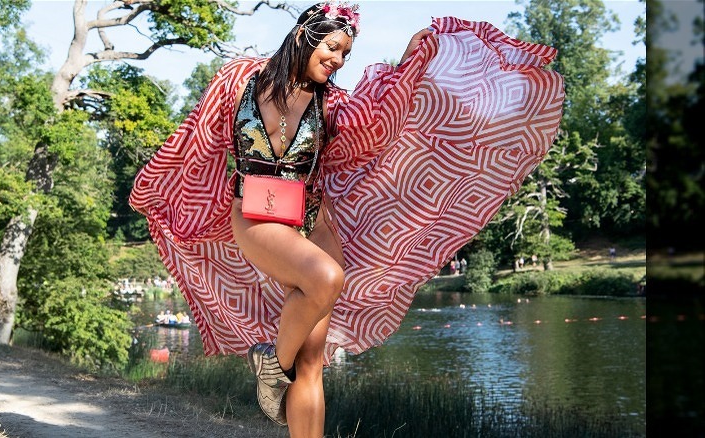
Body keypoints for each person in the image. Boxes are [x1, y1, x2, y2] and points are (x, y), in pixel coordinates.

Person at [129, 2, 563, 436]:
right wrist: (164, 191)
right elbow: (198, 138)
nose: (336, 59)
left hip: (313, 220)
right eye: (332, 47)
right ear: (304, 34)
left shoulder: (333, 102)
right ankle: (269, 365)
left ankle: (280, 374)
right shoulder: (240, 78)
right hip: (254, 213)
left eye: (344, 54)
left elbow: (378, 130)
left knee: (313, 361)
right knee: (327, 278)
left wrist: (410, 63)